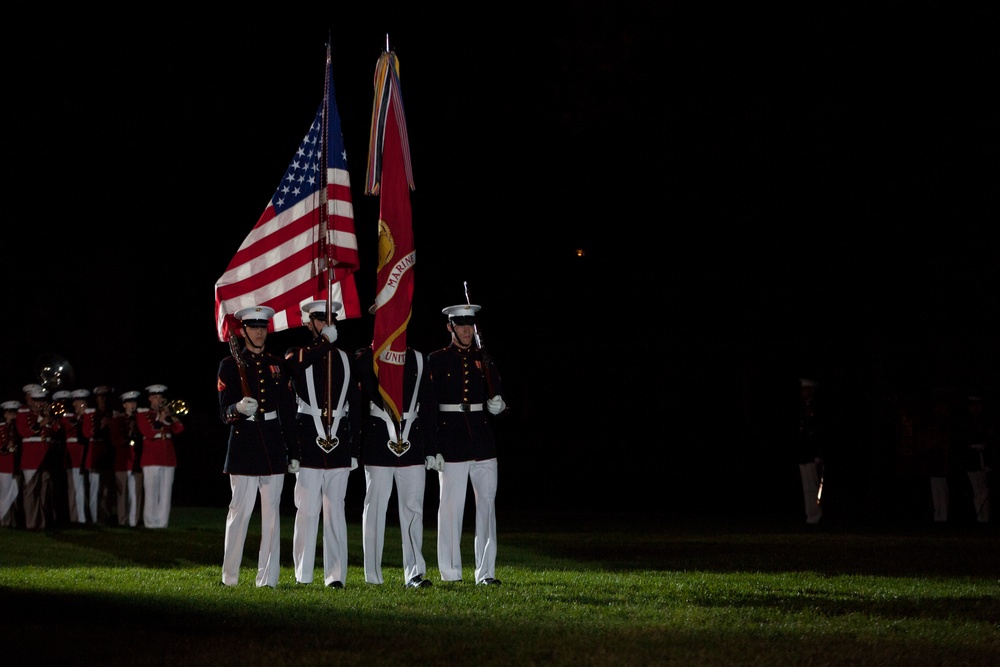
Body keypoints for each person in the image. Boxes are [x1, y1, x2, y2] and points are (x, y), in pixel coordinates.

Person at [218, 305, 298, 588]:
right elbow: (223, 411)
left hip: (273, 445)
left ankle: (268, 579)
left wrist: (294, 451)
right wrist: (238, 408)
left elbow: (288, 411)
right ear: (242, 331)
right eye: (253, 327)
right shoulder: (230, 364)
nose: (259, 332)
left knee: (272, 517)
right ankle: (230, 577)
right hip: (243, 445)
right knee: (239, 513)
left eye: (263, 327)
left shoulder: (277, 364)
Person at [429, 303, 507, 586]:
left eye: (470, 325)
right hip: (451, 440)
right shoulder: (437, 360)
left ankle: (486, 572)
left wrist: (498, 404)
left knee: (487, 506)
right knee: (450, 508)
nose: (466, 330)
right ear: (450, 327)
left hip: (482, 439)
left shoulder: (483, 358)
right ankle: (450, 572)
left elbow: (495, 390)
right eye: (460, 325)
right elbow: (429, 408)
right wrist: (432, 446)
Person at [284, 299, 359, 588]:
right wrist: (324, 342)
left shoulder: (345, 358)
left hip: (338, 441)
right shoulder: (297, 352)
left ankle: (335, 575)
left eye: (331, 320)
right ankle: (302, 573)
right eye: (320, 320)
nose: (328, 324)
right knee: (307, 510)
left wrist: (354, 448)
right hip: (308, 441)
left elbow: (355, 403)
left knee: (335, 511)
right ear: (309, 323)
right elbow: (296, 364)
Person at [355, 341, 439, 588]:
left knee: (413, 509)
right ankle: (373, 575)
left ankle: (414, 573)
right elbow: (359, 374)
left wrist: (432, 449)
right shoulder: (368, 356)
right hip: (378, 439)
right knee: (375, 509)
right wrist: (376, 347)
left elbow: (429, 406)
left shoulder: (420, 359)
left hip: (412, 438)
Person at [137, 384, 184, 528]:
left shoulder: (167, 414)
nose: (159, 400)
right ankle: (150, 523)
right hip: (151, 458)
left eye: (161, 397)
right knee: (151, 492)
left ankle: (163, 523)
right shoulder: (143, 414)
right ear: (150, 399)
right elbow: (148, 433)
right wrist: (159, 419)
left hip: (168, 458)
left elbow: (179, 429)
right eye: (156, 397)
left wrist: (172, 416)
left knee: (166, 492)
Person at [15, 386, 61, 530]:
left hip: (46, 456)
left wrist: (51, 418)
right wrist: (42, 421)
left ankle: (43, 523)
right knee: (31, 492)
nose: (40, 403)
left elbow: (57, 430)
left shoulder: (46, 413)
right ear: (31, 400)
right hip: (31, 458)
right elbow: (24, 432)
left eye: (42, 400)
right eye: (37, 400)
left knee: (44, 491)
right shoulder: (23, 413)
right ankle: (31, 523)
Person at [109, 391, 143, 527]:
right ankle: (123, 520)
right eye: (129, 402)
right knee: (122, 492)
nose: (132, 405)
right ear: (124, 405)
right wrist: (127, 438)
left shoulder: (140, 419)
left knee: (136, 493)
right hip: (123, 460)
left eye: (134, 402)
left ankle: (134, 520)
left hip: (137, 460)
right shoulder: (117, 420)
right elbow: (115, 439)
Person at [957, 395, 992, 523]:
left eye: (977, 405)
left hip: (982, 460)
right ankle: (981, 518)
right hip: (973, 461)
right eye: (973, 405)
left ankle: (984, 518)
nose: (975, 408)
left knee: (983, 491)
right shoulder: (968, 423)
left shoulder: (983, 421)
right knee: (978, 491)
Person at [796, 378, 825, 525]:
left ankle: (816, 516)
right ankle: (810, 515)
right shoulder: (804, 408)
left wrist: (819, 453)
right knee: (807, 486)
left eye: (806, 389)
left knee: (814, 485)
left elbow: (819, 432)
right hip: (805, 453)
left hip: (813, 453)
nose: (803, 392)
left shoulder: (817, 409)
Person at [58, 389, 88, 524]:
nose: (81, 404)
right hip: (73, 456)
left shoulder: (87, 416)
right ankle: (77, 517)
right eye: (78, 401)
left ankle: (81, 516)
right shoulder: (67, 417)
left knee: (81, 487)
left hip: (83, 455)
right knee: (75, 488)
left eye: (83, 401)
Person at [90, 385, 116, 523]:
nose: (103, 399)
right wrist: (102, 425)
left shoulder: (112, 413)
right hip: (96, 455)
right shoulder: (93, 414)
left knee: (107, 489)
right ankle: (94, 517)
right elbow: (91, 433)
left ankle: (105, 516)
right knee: (95, 489)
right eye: (101, 396)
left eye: (106, 396)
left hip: (109, 454)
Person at [0, 400, 23, 527]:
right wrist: (6, 447)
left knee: (14, 494)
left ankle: (12, 521)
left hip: (17, 465)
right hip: (4, 465)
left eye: (15, 413)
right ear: (5, 414)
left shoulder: (18, 428)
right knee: (5, 494)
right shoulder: (2, 429)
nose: (13, 416)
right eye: (10, 413)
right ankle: (4, 521)